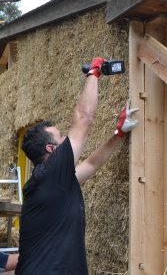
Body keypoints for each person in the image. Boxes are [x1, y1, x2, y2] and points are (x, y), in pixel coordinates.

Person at [15, 57, 138, 275]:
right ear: (51, 151)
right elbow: (84, 118)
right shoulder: (49, 174)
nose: (65, 140)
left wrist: (118, 134)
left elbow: (90, 164)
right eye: (61, 137)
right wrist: (94, 72)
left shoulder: (52, 182)